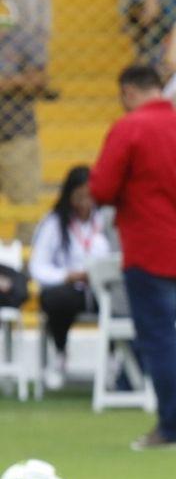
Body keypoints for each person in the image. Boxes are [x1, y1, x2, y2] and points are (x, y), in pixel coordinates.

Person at [89, 65, 176, 451]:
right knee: (167, 334)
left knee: (159, 338)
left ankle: (175, 427)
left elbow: (102, 188)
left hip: (149, 248)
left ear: (129, 92)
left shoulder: (129, 128)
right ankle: (175, 420)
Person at [29, 166, 111, 391]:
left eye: (89, 196)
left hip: (103, 288)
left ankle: (115, 359)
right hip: (71, 288)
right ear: (69, 195)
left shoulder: (106, 219)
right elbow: (37, 267)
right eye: (79, 197)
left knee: (125, 300)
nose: (85, 203)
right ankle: (60, 351)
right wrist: (67, 276)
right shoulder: (54, 222)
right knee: (56, 299)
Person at [0, 0, 46, 244]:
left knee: (26, 207)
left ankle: (25, 259)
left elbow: (39, 80)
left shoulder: (22, 39)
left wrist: (7, 83)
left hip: (16, 136)